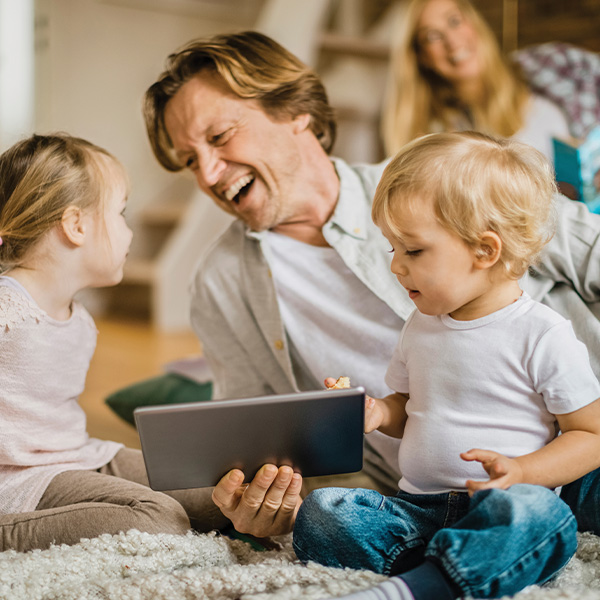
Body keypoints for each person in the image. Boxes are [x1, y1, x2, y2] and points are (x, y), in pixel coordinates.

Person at [143, 30, 600, 539]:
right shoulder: (220, 283)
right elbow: (261, 441)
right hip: (424, 495)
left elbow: (592, 249)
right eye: (189, 160)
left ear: (297, 111)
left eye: (220, 137)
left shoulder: (442, 182)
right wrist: (259, 495)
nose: (206, 173)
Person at [293, 131, 600, 600]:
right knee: (322, 510)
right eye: (392, 248)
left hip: (499, 504)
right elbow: (407, 407)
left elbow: (590, 435)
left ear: (485, 250)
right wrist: (376, 413)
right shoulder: (420, 326)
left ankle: (428, 582)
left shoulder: (543, 334)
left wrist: (524, 472)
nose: (396, 266)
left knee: (542, 518)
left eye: (412, 250)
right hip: (418, 513)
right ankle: (447, 569)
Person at [0, 134, 227, 552]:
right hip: (20, 479)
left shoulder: (80, 318)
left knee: (221, 491)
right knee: (159, 518)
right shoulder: (7, 307)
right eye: (120, 214)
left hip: (78, 455)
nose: (128, 231)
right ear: (75, 225)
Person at [381, 0, 570, 163]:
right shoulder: (429, 135)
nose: (452, 42)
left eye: (454, 21)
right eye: (431, 36)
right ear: (421, 57)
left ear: (474, 22)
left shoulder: (542, 112)